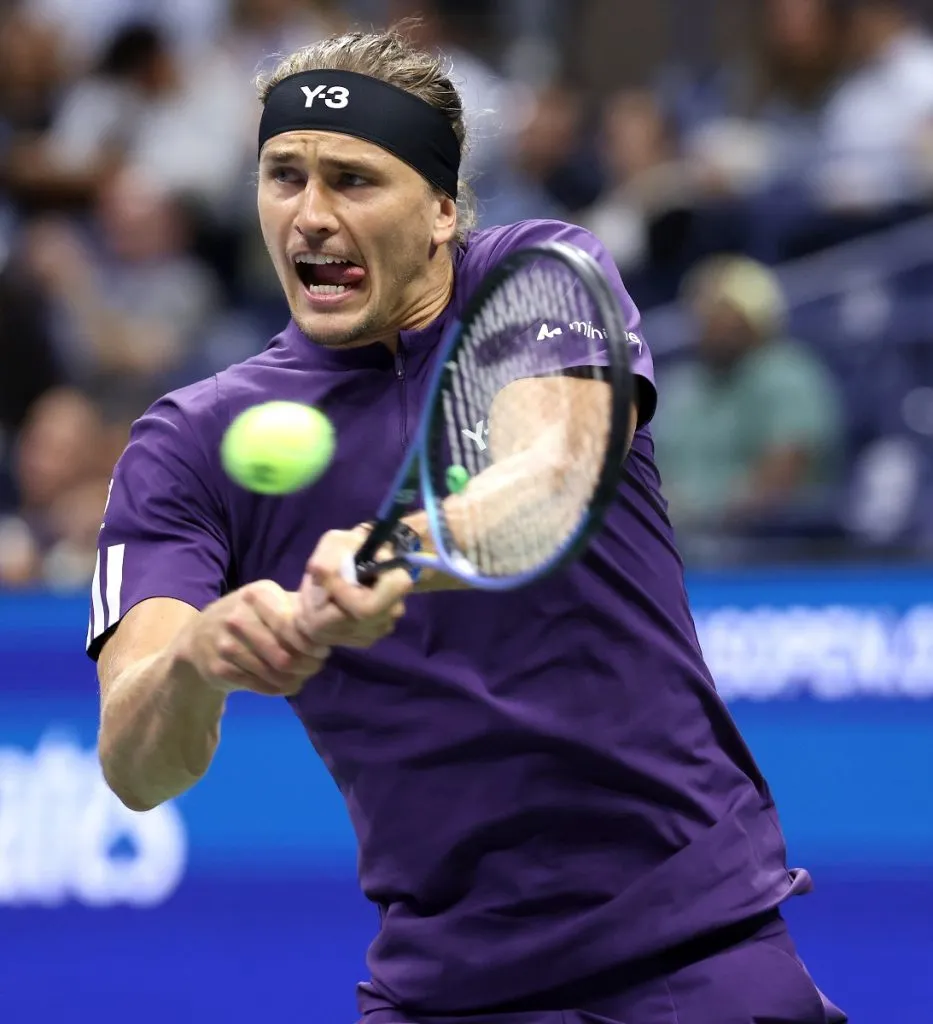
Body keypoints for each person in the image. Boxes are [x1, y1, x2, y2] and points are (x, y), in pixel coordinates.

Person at [88, 28, 847, 1024]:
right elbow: (136, 764)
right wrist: (197, 658)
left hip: (693, 946)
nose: (309, 215)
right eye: (284, 176)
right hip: (445, 986)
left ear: (442, 210)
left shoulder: (539, 275)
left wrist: (392, 555)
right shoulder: (186, 444)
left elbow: (555, 478)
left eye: (353, 180)